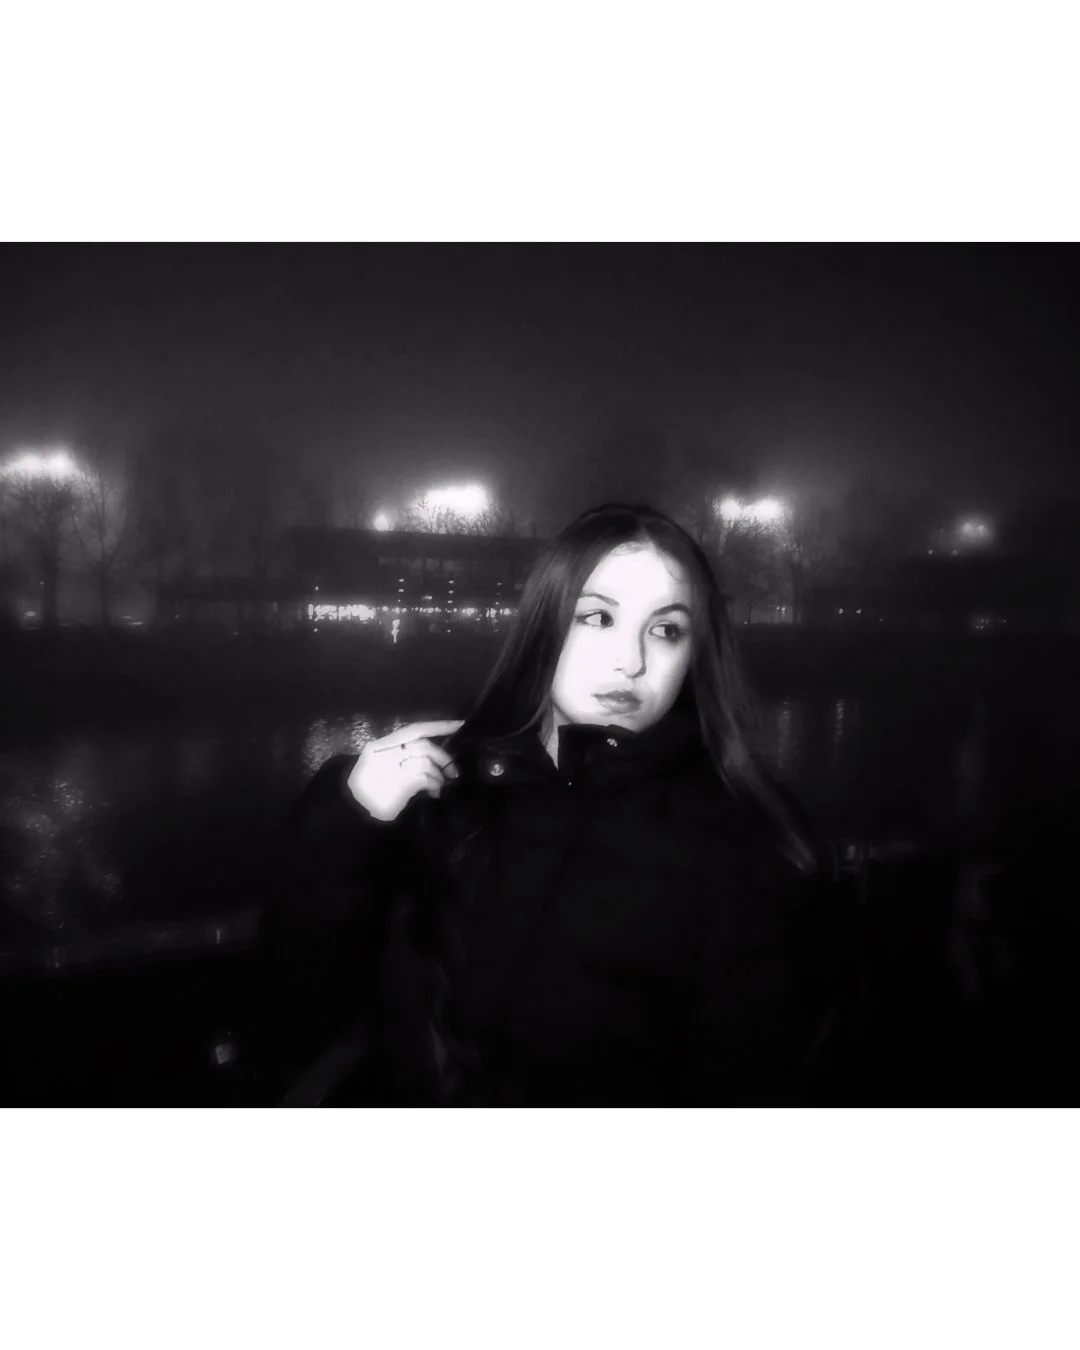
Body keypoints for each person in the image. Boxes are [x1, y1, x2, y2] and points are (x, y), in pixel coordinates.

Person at [262, 502, 849, 1106]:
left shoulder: (742, 842)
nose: (631, 661)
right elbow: (300, 997)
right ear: (545, 624)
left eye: (667, 629)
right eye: (597, 618)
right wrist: (349, 820)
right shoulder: (447, 791)